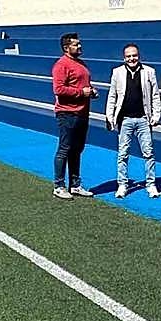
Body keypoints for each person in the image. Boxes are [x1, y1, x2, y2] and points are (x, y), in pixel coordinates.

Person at [105, 44, 161, 199]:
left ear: (139, 56)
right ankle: (122, 184)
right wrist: (110, 116)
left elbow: (155, 95)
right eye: (128, 56)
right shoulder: (117, 72)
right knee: (123, 154)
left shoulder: (149, 71)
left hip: (144, 119)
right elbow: (112, 96)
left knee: (148, 153)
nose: (132, 59)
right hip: (125, 120)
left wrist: (156, 115)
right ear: (124, 58)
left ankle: (151, 184)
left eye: (134, 55)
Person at [51, 32, 96, 200]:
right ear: (66, 48)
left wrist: (91, 91)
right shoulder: (61, 65)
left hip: (82, 112)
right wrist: (81, 92)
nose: (80, 46)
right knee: (64, 149)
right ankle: (59, 185)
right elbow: (59, 89)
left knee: (77, 149)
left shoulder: (81, 63)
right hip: (67, 113)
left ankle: (75, 185)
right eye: (76, 44)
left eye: (79, 43)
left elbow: (83, 85)